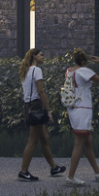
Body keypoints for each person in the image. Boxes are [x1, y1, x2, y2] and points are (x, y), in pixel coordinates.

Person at [61, 49, 99, 185]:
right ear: (84, 61)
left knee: (88, 141)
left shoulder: (69, 71)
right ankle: (70, 177)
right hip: (83, 109)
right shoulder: (84, 71)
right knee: (79, 143)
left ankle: (98, 172)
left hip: (74, 109)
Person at [16, 47, 63, 182]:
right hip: (36, 106)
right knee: (32, 141)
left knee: (44, 138)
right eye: (41, 55)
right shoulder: (37, 70)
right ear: (35, 57)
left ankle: (54, 168)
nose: (43, 57)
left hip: (28, 106)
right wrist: (48, 110)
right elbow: (41, 92)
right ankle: (23, 172)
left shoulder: (25, 71)